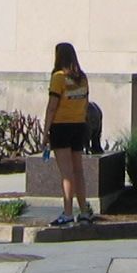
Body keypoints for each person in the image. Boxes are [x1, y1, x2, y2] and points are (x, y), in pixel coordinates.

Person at [43, 40, 96, 227]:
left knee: (66, 173)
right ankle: (83, 211)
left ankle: (67, 213)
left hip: (61, 126)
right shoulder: (82, 78)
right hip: (78, 126)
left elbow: (52, 107)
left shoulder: (58, 77)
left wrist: (45, 131)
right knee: (78, 171)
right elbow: (86, 103)